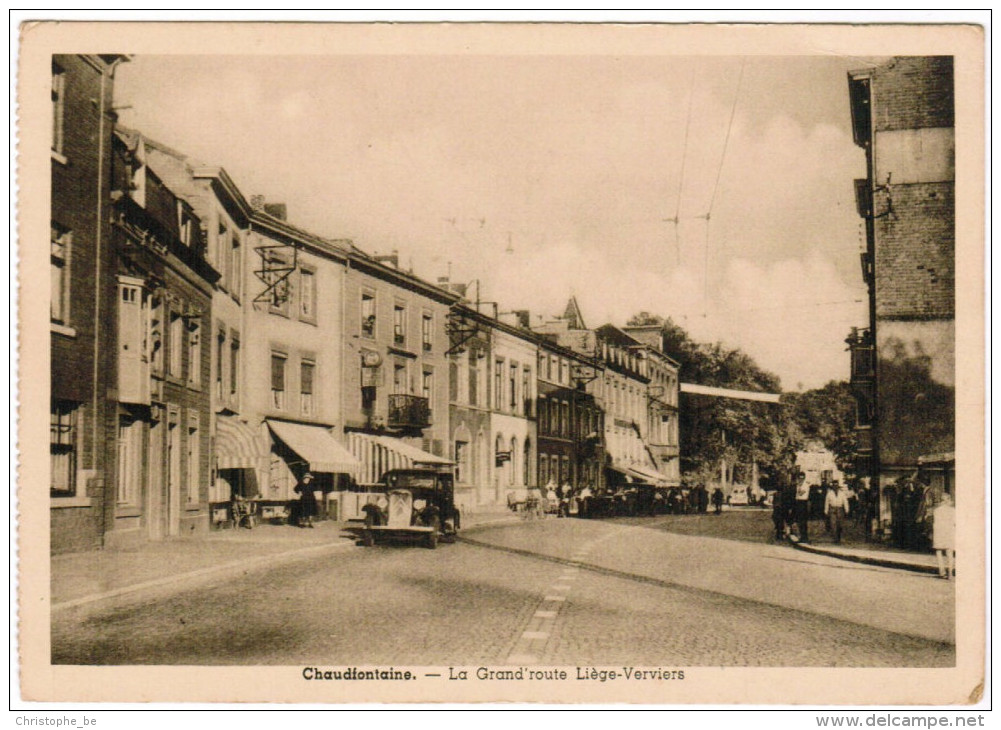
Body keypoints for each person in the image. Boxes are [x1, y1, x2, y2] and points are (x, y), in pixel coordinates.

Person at [933, 492, 956, 580]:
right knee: (949, 553)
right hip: (949, 532)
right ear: (949, 500)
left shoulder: (936, 510)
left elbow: (935, 522)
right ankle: (950, 573)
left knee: (939, 552)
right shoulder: (953, 510)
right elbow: (955, 522)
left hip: (939, 533)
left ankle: (942, 572)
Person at [824, 480, 849, 544]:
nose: (835, 486)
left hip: (840, 509)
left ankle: (839, 537)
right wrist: (826, 511)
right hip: (832, 509)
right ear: (832, 486)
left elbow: (845, 501)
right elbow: (826, 502)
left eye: (836, 485)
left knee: (840, 524)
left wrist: (847, 510)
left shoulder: (842, 493)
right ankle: (836, 539)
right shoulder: (829, 493)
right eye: (834, 485)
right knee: (833, 524)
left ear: (838, 486)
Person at [793, 471, 810, 543]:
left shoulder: (805, 485)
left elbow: (800, 493)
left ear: (804, 478)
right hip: (798, 502)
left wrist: (799, 487)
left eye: (802, 478)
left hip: (803, 502)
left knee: (803, 521)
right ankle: (801, 536)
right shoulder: (798, 485)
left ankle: (805, 537)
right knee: (799, 521)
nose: (801, 480)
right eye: (799, 478)